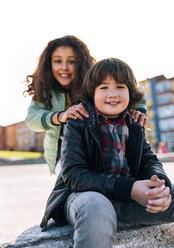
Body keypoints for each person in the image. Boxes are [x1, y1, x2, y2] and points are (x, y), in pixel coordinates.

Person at [40, 57, 173, 248]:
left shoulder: (135, 122)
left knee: (169, 191)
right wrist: (130, 189)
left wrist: (159, 185)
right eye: (103, 87)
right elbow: (74, 175)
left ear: (131, 93)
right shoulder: (78, 121)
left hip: (126, 199)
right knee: (97, 206)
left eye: (120, 86)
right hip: (84, 196)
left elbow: (148, 160)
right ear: (92, 93)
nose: (112, 94)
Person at [25, 35, 147, 175]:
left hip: (98, 149)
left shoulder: (92, 82)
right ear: (48, 64)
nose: (64, 67)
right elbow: (32, 119)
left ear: (81, 62)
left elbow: (137, 90)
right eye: (58, 61)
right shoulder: (45, 90)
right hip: (62, 154)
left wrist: (139, 110)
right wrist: (60, 116)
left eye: (72, 61)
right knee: (73, 182)